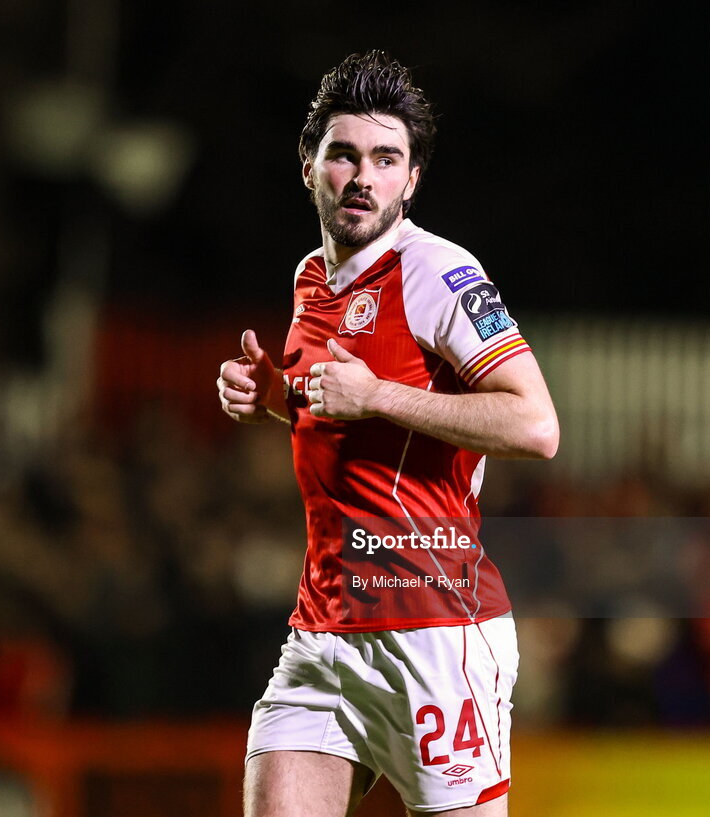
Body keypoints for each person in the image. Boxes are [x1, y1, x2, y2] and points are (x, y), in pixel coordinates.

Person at [217, 50, 558, 817]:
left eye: (385, 158)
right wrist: (274, 394)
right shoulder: (312, 277)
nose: (363, 176)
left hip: (434, 631)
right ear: (309, 166)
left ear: (411, 179)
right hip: (324, 630)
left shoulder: (438, 273)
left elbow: (537, 425)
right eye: (344, 154)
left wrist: (380, 395)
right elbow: (340, 411)